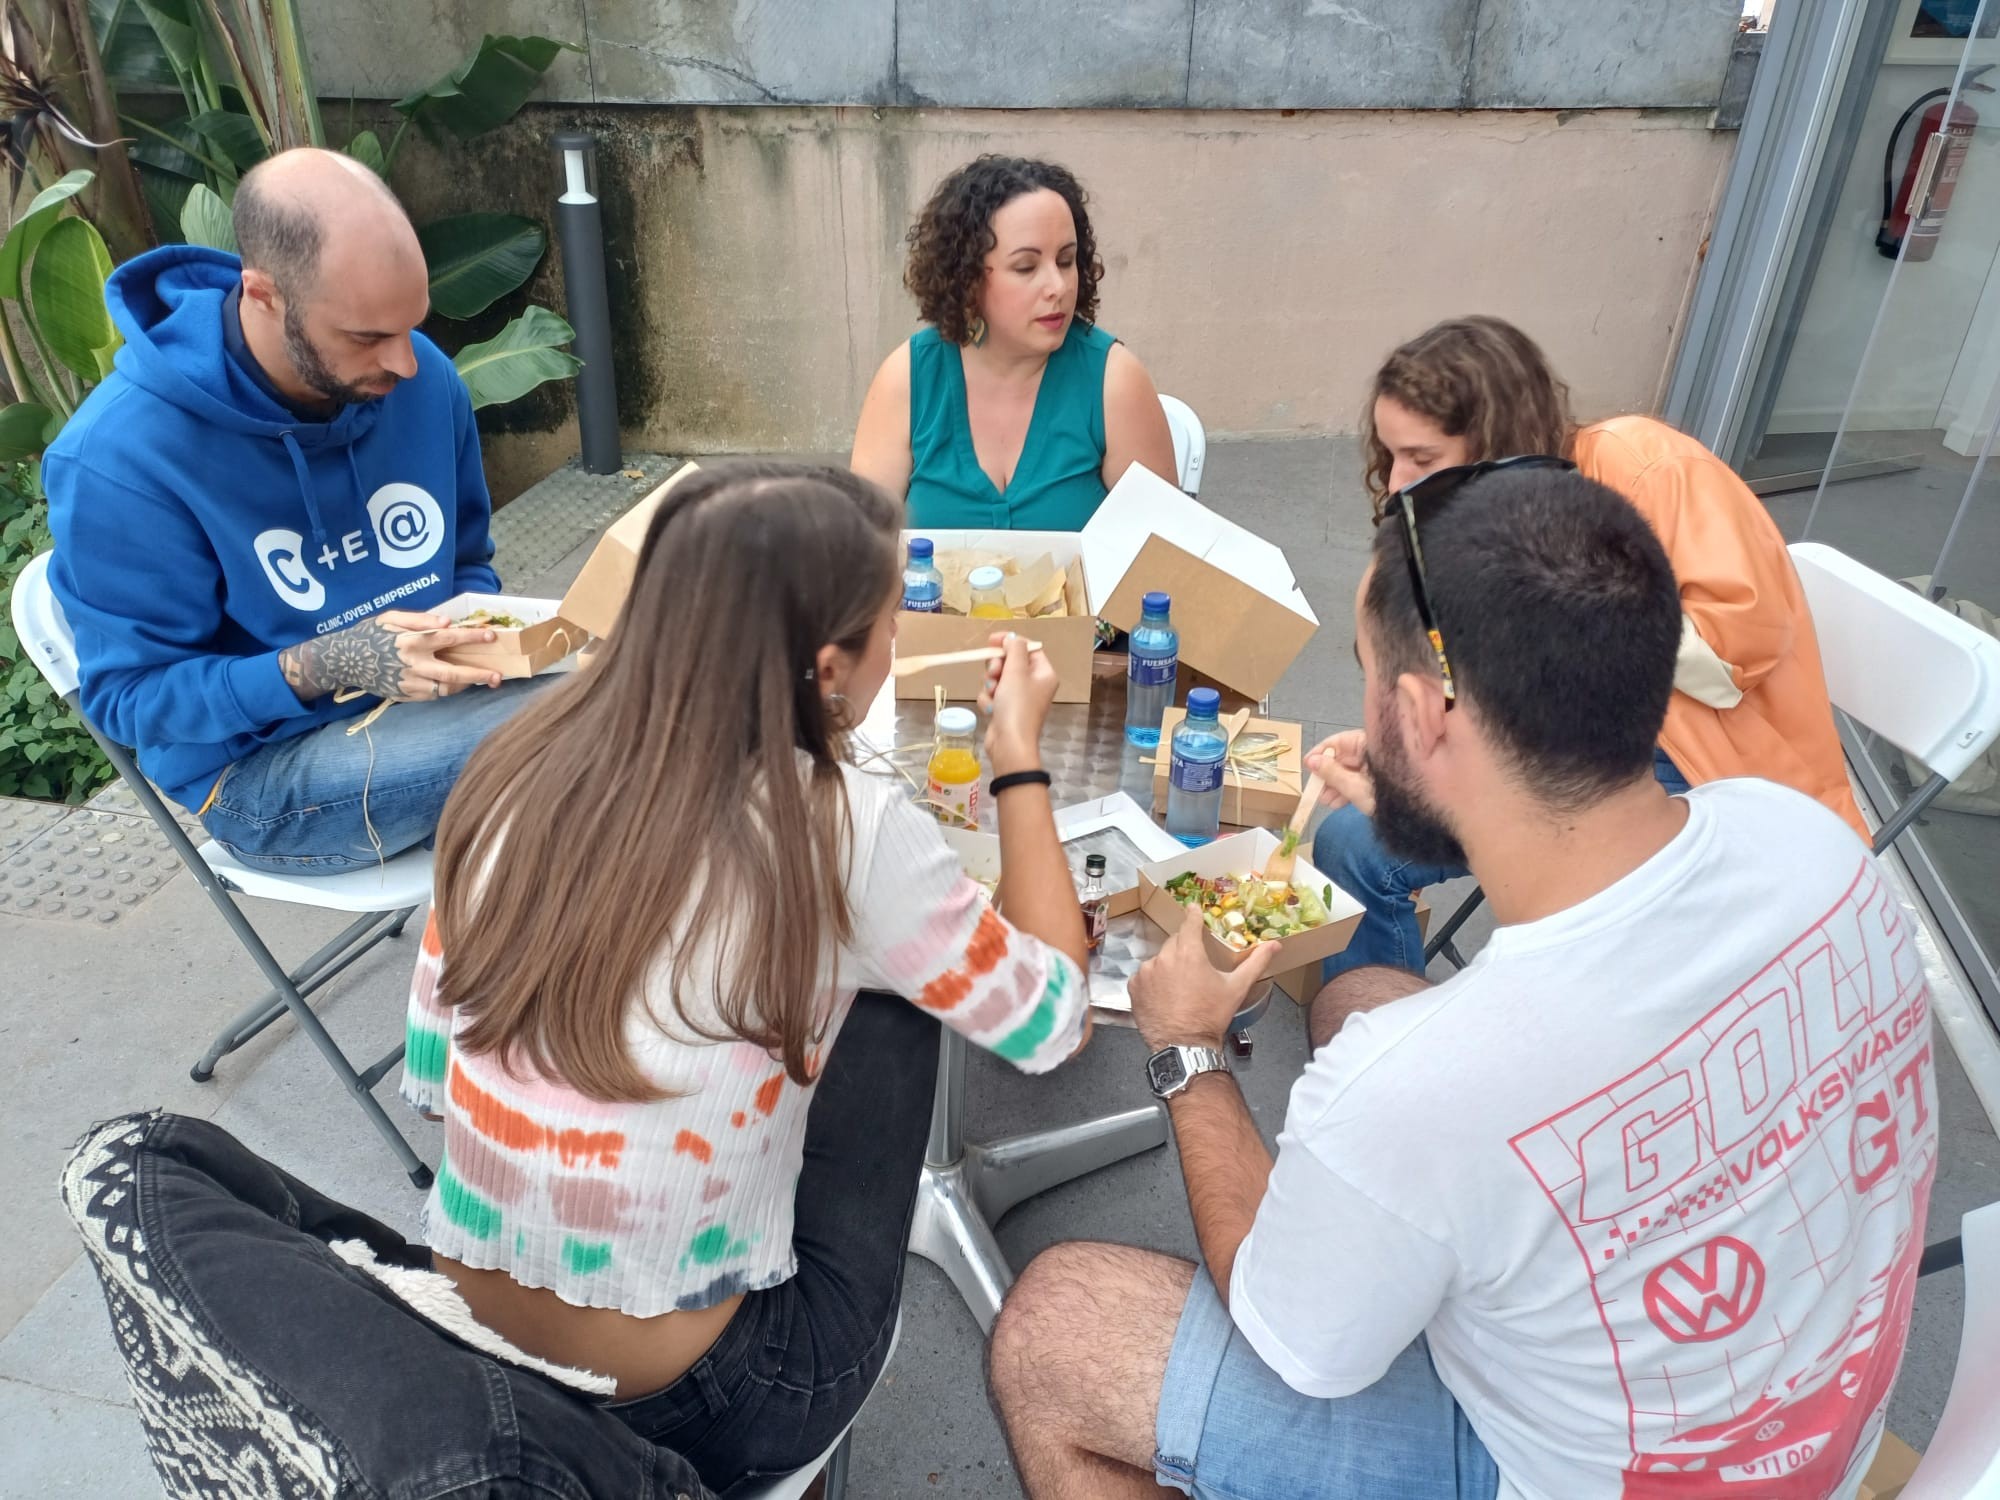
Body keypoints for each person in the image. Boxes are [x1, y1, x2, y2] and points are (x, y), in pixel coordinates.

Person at [986, 464, 1937, 1500]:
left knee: (1054, 1324)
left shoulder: (1416, 1088)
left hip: (1584, 1476)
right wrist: (1442, 805)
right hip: (1814, 1418)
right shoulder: (1808, 839)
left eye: (1360, 671)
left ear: (1418, 710)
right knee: (1354, 1003)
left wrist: (1188, 1054)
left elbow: (1289, 1337)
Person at [401, 463, 1094, 1495]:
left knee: (817, 983)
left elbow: (428, 1077)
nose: (897, 644)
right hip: (710, 1400)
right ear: (826, 666)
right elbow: (1052, 1023)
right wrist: (1017, 759)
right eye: (888, 625)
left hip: (470, 1350)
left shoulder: (512, 762)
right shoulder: (840, 827)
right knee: (904, 1004)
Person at [1311, 315, 1867, 978]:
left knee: (1556, 929)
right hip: (1562, 752)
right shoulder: (1465, 518)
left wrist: (1547, 606)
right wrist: (1401, 745)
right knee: (1351, 842)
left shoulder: (1646, 463)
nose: (1399, 480)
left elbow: (1729, 659)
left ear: (1493, 438)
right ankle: (1376, 1040)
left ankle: (1523, 1039)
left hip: (1708, 767)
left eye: (1422, 459)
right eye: (1392, 453)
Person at [44, 148, 547, 875]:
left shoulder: (421, 379)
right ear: (264, 295)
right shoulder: (120, 457)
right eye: (368, 337)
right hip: (260, 773)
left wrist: (483, 641)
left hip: (437, 703)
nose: (406, 363)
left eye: (413, 325)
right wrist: (322, 663)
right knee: (611, 728)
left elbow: (467, 561)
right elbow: (131, 701)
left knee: (672, 666)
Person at [849, 155, 1177, 528]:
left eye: (1067, 260)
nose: (1058, 287)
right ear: (966, 277)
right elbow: (860, 553)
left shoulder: (1114, 382)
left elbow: (1162, 556)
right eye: (1026, 267)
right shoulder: (908, 378)